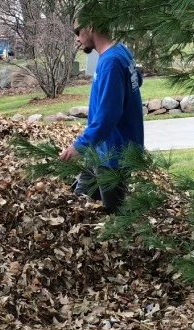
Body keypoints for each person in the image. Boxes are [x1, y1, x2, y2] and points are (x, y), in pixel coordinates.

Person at [59, 20, 144, 214]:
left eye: (77, 31)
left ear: (90, 26)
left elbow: (108, 116)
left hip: (113, 154)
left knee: (114, 215)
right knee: (80, 203)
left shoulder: (111, 62)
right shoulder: (121, 51)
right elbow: (137, 79)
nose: (76, 39)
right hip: (98, 150)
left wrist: (79, 146)